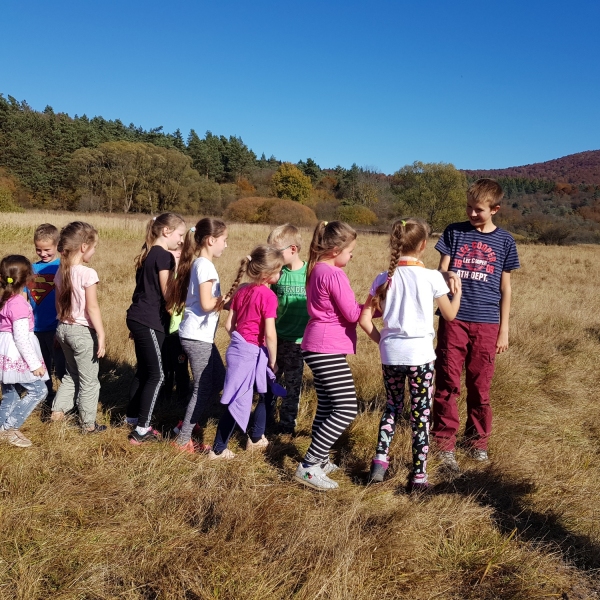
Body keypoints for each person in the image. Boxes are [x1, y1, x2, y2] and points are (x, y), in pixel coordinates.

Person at [359, 218, 462, 492]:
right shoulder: (431, 278)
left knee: (392, 407)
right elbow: (450, 315)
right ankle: (418, 476)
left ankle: (380, 460)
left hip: (390, 354)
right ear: (424, 245)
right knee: (421, 415)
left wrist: (383, 341)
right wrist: (458, 291)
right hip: (420, 357)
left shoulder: (383, 278)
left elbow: (365, 319)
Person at [431, 178, 520, 472]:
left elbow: (505, 288)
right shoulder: (454, 232)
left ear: (495, 209)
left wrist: (504, 329)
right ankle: (444, 444)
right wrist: (446, 277)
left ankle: (477, 443)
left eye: (478, 209)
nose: (471, 213)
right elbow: (441, 270)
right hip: (453, 319)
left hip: (487, 324)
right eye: (468, 207)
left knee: (480, 387)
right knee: (447, 384)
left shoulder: (505, 241)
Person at [295, 221, 361, 491]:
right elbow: (353, 314)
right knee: (346, 407)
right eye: (350, 251)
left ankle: (320, 460)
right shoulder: (333, 274)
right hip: (326, 348)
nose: (352, 256)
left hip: (315, 344)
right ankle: (309, 465)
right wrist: (377, 305)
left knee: (326, 406)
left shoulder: (316, 269)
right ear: (335, 250)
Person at [209, 245, 285, 460]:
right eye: (279, 270)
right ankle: (218, 449)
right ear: (267, 273)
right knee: (237, 400)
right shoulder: (268, 297)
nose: (281, 274)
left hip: (238, 348)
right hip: (251, 353)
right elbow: (270, 334)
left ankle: (256, 436)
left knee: (265, 391)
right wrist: (273, 361)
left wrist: (241, 340)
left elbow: (228, 325)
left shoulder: (242, 290)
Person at [167, 218, 229, 453]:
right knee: (202, 388)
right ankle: (182, 441)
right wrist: (228, 300)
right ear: (211, 240)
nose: (226, 245)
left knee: (219, 379)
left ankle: (188, 422)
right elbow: (206, 303)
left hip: (200, 337)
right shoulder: (205, 266)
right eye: (224, 240)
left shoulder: (201, 264)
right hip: (197, 338)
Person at [125, 212, 186, 445]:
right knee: (158, 375)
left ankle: (132, 417)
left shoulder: (149, 253)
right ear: (166, 231)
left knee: (144, 370)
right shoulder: (164, 256)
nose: (181, 240)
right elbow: (168, 293)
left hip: (139, 317)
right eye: (180, 234)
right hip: (149, 320)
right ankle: (142, 429)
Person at [50, 222, 106, 433]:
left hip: (63, 327)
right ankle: (88, 425)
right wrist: (101, 334)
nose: (94, 251)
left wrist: (61, 324)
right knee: (89, 381)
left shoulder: (60, 272)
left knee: (71, 374)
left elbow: (58, 304)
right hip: (82, 333)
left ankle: (57, 411)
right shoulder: (87, 273)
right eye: (94, 247)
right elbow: (92, 307)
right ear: (84, 247)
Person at [263, 223, 309, 434]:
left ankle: (286, 426)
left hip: (298, 342)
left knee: (292, 386)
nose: (273, 256)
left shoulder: (310, 273)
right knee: (269, 381)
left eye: (276, 251)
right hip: (275, 339)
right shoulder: (276, 273)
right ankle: (265, 420)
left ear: (293, 249)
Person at [0, 255, 48, 447]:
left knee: (10, 394)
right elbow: (20, 338)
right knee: (39, 390)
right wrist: (34, 365)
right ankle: (10, 428)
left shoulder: (6, 299)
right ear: (28, 278)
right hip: (17, 355)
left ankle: (2, 429)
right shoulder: (18, 304)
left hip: (6, 353)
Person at [26, 223, 66, 404]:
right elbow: (24, 298)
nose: (43, 253)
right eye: (38, 249)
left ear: (57, 246)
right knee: (41, 367)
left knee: (61, 366)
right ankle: (46, 396)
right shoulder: (30, 269)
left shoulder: (62, 267)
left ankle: (65, 400)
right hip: (35, 328)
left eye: (47, 249)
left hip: (56, 326)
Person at [161, 247, 190, 406]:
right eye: (174, 250)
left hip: (180, 329)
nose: (178, 253)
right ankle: (165, 396)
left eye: (180, 250)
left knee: (180, 366)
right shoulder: (164, 275)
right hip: (165, 328)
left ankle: (182, 398)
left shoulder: (187, 276)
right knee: (165, 366)